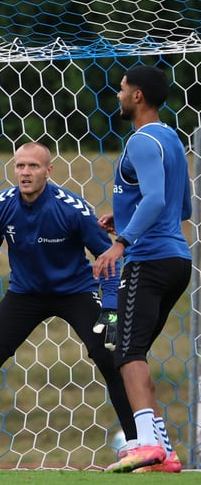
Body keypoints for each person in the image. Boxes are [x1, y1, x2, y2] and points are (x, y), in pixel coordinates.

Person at [0, 142, 138, 469]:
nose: (25, 173)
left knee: (108, 356)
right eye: (20, 166)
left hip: (76, 290)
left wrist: (112, 307)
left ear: (49, 171)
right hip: (25, 293)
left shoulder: (73, 209)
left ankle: (137, 446)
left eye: (33, 166)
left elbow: (108, 258)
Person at [93, 65, 191, 474]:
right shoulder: (172, 139)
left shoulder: (141, 141)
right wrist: (123, 216)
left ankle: (146, 445)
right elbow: (182, 206)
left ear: (137, 96)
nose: (117, 95)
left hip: (147, 261)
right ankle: (164, 454)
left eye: (121, 89)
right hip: (177, 260)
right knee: (135, 354)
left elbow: (154, 199)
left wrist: (122, 241)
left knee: (127, 353)